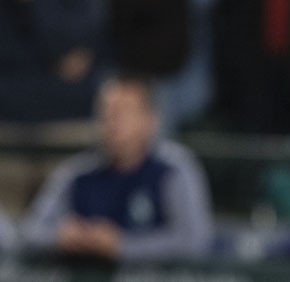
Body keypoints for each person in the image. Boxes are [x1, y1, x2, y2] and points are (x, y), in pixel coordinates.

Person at [19, 73, 214, 261]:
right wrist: (61, 237)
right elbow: (29, 232)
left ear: (150, 121)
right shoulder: (78, 173)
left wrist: (123, 246)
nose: (111, 122)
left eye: (123, 112)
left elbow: (194, 241)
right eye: (105, 112)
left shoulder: (173, 168)